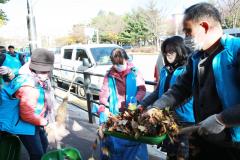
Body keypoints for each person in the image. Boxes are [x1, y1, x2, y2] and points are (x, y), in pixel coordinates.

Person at [145, 3, 240, 159]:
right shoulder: (196, 58)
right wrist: (156, 107)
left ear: (204, 26)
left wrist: (223, 119)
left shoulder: (236, 51)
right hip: (204, 138)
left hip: (234, 145)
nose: (186, 37)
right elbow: (180, 89)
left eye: (188, 31)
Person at [140, 36, 194, 160]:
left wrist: (162, 107)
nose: (167, 54)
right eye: (165, 51)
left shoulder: (187, 69)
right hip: (167, 120)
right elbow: (158, 92)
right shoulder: (165, 70)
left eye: (171, 51)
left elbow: (187, 95)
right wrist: (143, 104)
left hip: (185, 121)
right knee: (171, 153)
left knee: (183, 155)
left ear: (180, 50)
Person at [0, 48, 55, 160]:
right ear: (34, 69)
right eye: (44, 71)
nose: (47, 74)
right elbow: (26, 115)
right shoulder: (28, 87)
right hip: (23, 124)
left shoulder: (34, 76)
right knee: (37, 154)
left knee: (43, 145)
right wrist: (45, 121)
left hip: (34, 120)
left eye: (48, 71)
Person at [94, 48, 148, 160]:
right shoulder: (109, 75)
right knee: (116, 141)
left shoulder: (135, 72)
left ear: (126, 59)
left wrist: (136, 100)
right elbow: (104, 92)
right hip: (116, 113)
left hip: (132, 113)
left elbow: (142, 90)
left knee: (135, 141)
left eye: (120, 63)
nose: (118, 66)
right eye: (115, 64)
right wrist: (102, 106)